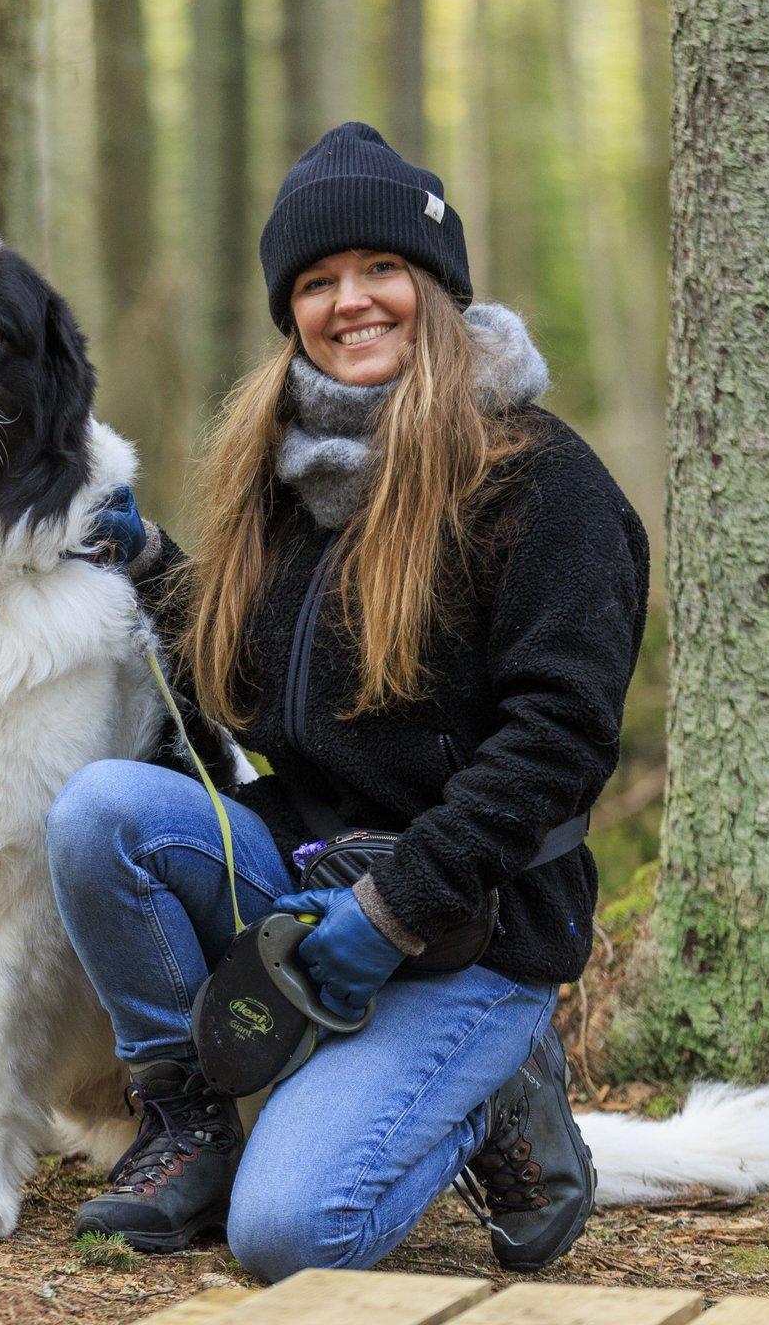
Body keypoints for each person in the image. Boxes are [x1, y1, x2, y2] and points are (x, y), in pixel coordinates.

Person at [45, 122, 650, 1279]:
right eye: (315, 282)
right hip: (306, 874)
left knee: (290, 1235)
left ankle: (494, 1097)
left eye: (379, 269)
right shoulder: (289, 474)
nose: (349, 301)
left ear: (434, 287)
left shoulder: (542, 482)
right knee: (98, 813)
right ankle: (186, 1116)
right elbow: (248, 682)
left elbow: (558, 743)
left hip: (471, 929)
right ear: (291, 313)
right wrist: (159, 567)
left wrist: (392, 910)